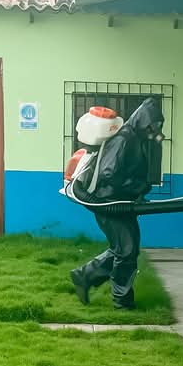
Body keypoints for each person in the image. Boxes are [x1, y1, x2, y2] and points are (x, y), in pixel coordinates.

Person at [70, 97, 165, 310]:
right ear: (143, 121)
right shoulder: (124, 139)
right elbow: (109, 172)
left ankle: (84, 276)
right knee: (126, 251)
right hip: (109, 204)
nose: (155, 130)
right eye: (152, 125)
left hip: (119, 203)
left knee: (125, 249)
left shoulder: (135, 137)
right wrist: (135, 187)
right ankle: (122, 301)